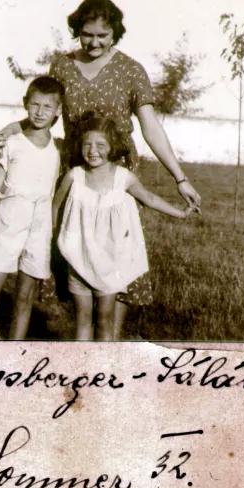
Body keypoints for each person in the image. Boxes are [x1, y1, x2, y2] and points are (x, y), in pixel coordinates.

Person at [0, 0, 202, 338]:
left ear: (115, 32)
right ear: (77, 31)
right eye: (87, 34)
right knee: (77, 254)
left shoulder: (131, 70)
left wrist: (180, 178)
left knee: (116, 254)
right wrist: (11, 130)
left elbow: (150, 126)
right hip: (75, 174)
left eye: (102, 35)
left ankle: (109, 344)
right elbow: (46, 110)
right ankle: (85, 343)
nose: (94, 42)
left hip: (118, 178)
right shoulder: (62, 66)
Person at [52, 115, 192, 340]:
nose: (92, 151)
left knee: (104, 320)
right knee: (82, 320)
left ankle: (104, 362)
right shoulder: (74, 177)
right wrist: (56, 240)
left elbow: (149, 198)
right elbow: (55, 206)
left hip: (110, 261)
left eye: (101, 145)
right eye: (87, 144)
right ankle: (80, 361)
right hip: (78, 259)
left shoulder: (123, 178)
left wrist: (180, 213)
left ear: (113, 146)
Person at [0, 76, 64, 340]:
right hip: (9, 223)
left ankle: (14, 354)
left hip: (39, 228)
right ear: (25, 104)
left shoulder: (59, 148)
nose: (40, 112)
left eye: (47, 106)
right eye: (35, 105)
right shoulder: (12, 142)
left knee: (24, 299)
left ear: (58, 110)